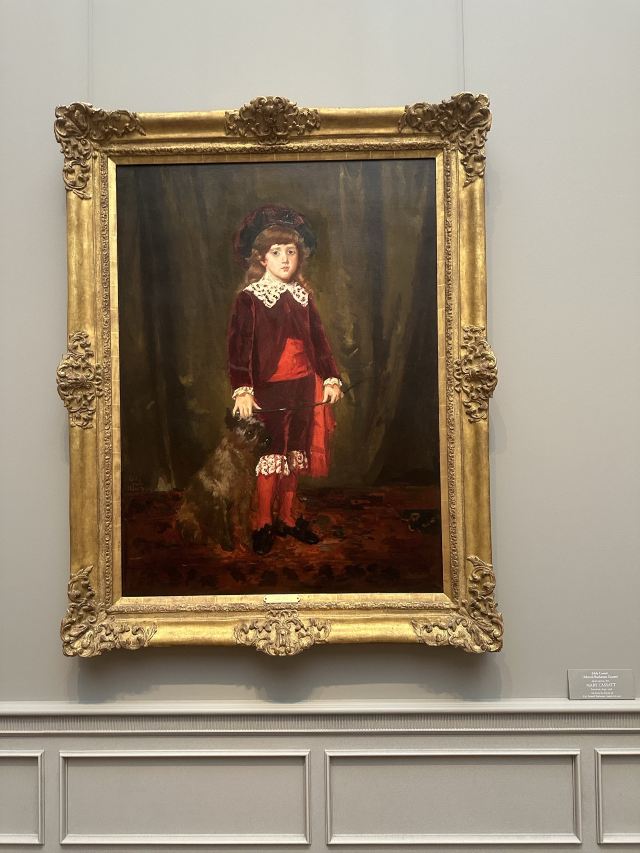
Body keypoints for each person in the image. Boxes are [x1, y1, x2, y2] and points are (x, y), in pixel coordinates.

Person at [228, 205, 343, 555]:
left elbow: (320, 343)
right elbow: (239, 348)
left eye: (291, 252)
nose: (284, 259)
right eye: (276, 252)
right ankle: (263, 520)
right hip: (269, 390)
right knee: (271, 454)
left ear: (299, 257)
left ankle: (287, 517)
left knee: (295, 453)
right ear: (262, 258)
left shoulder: (304, 298)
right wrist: (242, 389)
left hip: (303, 387)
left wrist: (330, 378)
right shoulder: (250, 299)